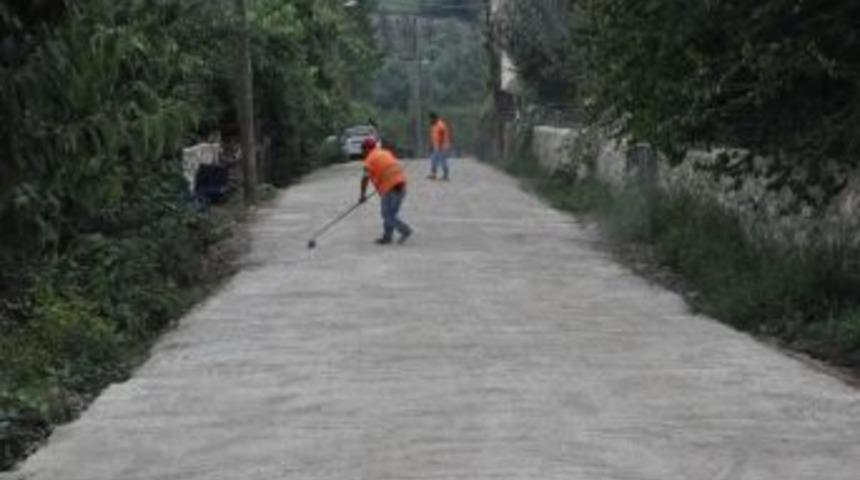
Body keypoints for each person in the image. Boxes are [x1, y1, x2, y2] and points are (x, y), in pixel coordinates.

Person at [359, 138, 413, 245]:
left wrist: (362, 195)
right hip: (401, 184)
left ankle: (405, 230)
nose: (362, 151)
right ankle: (387, 237)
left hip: (390, 187)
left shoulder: (369, 159)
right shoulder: (385, 152)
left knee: (387, 215)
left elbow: (365, 178)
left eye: (363, 149)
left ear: (367, 149)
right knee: (390, 214)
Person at [427, 111, 452, 181]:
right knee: (433, 160)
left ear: (434, 118)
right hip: (437, 146)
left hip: (442, 146)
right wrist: (431, 145)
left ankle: (445, 175)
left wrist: (441, 145)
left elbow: (443, 134)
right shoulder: (434, 125)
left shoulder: (440, 125)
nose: (430, 120)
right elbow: (433, 136)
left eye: (430, 119)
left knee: (443, 161)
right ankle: (433, 174)